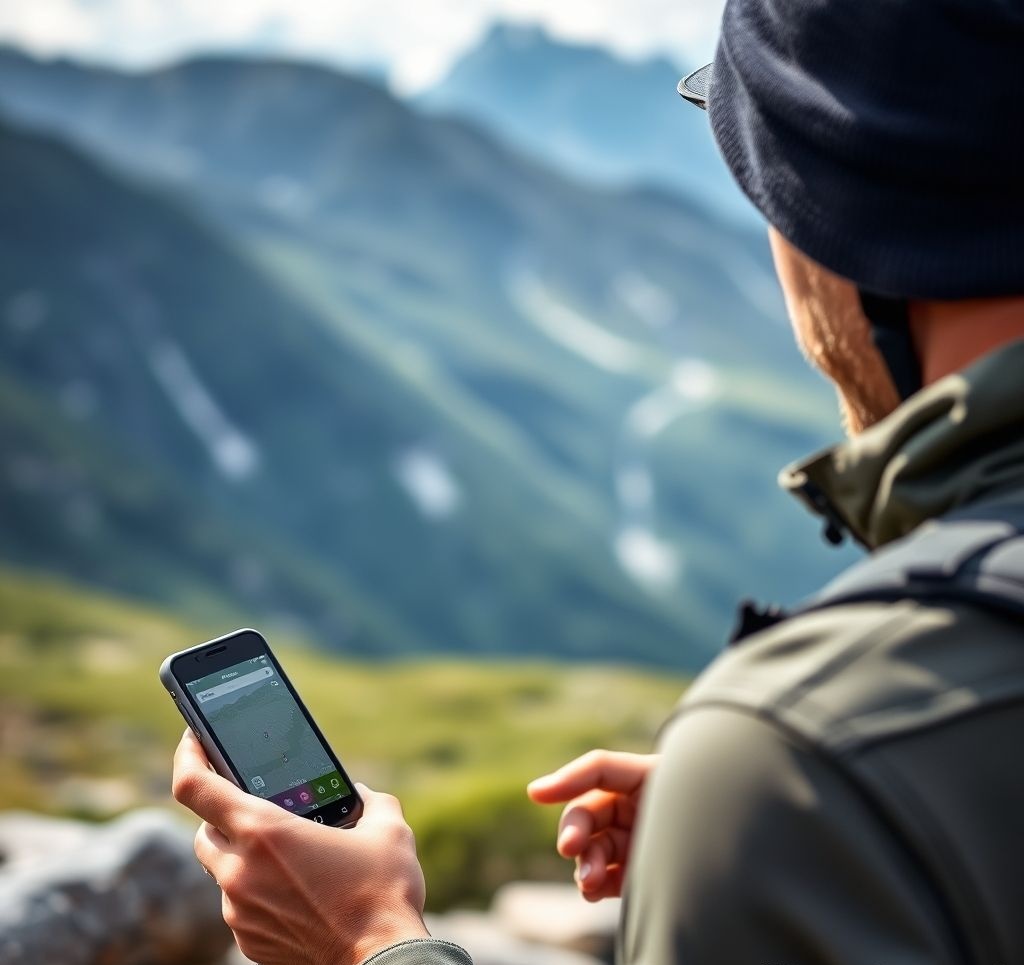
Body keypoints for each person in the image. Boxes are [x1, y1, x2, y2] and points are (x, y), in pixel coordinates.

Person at [172, 0, 1024, 962]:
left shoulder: (807, 762)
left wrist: (368, 939)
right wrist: (803, 822)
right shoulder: (827, 771)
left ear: (842, 220)